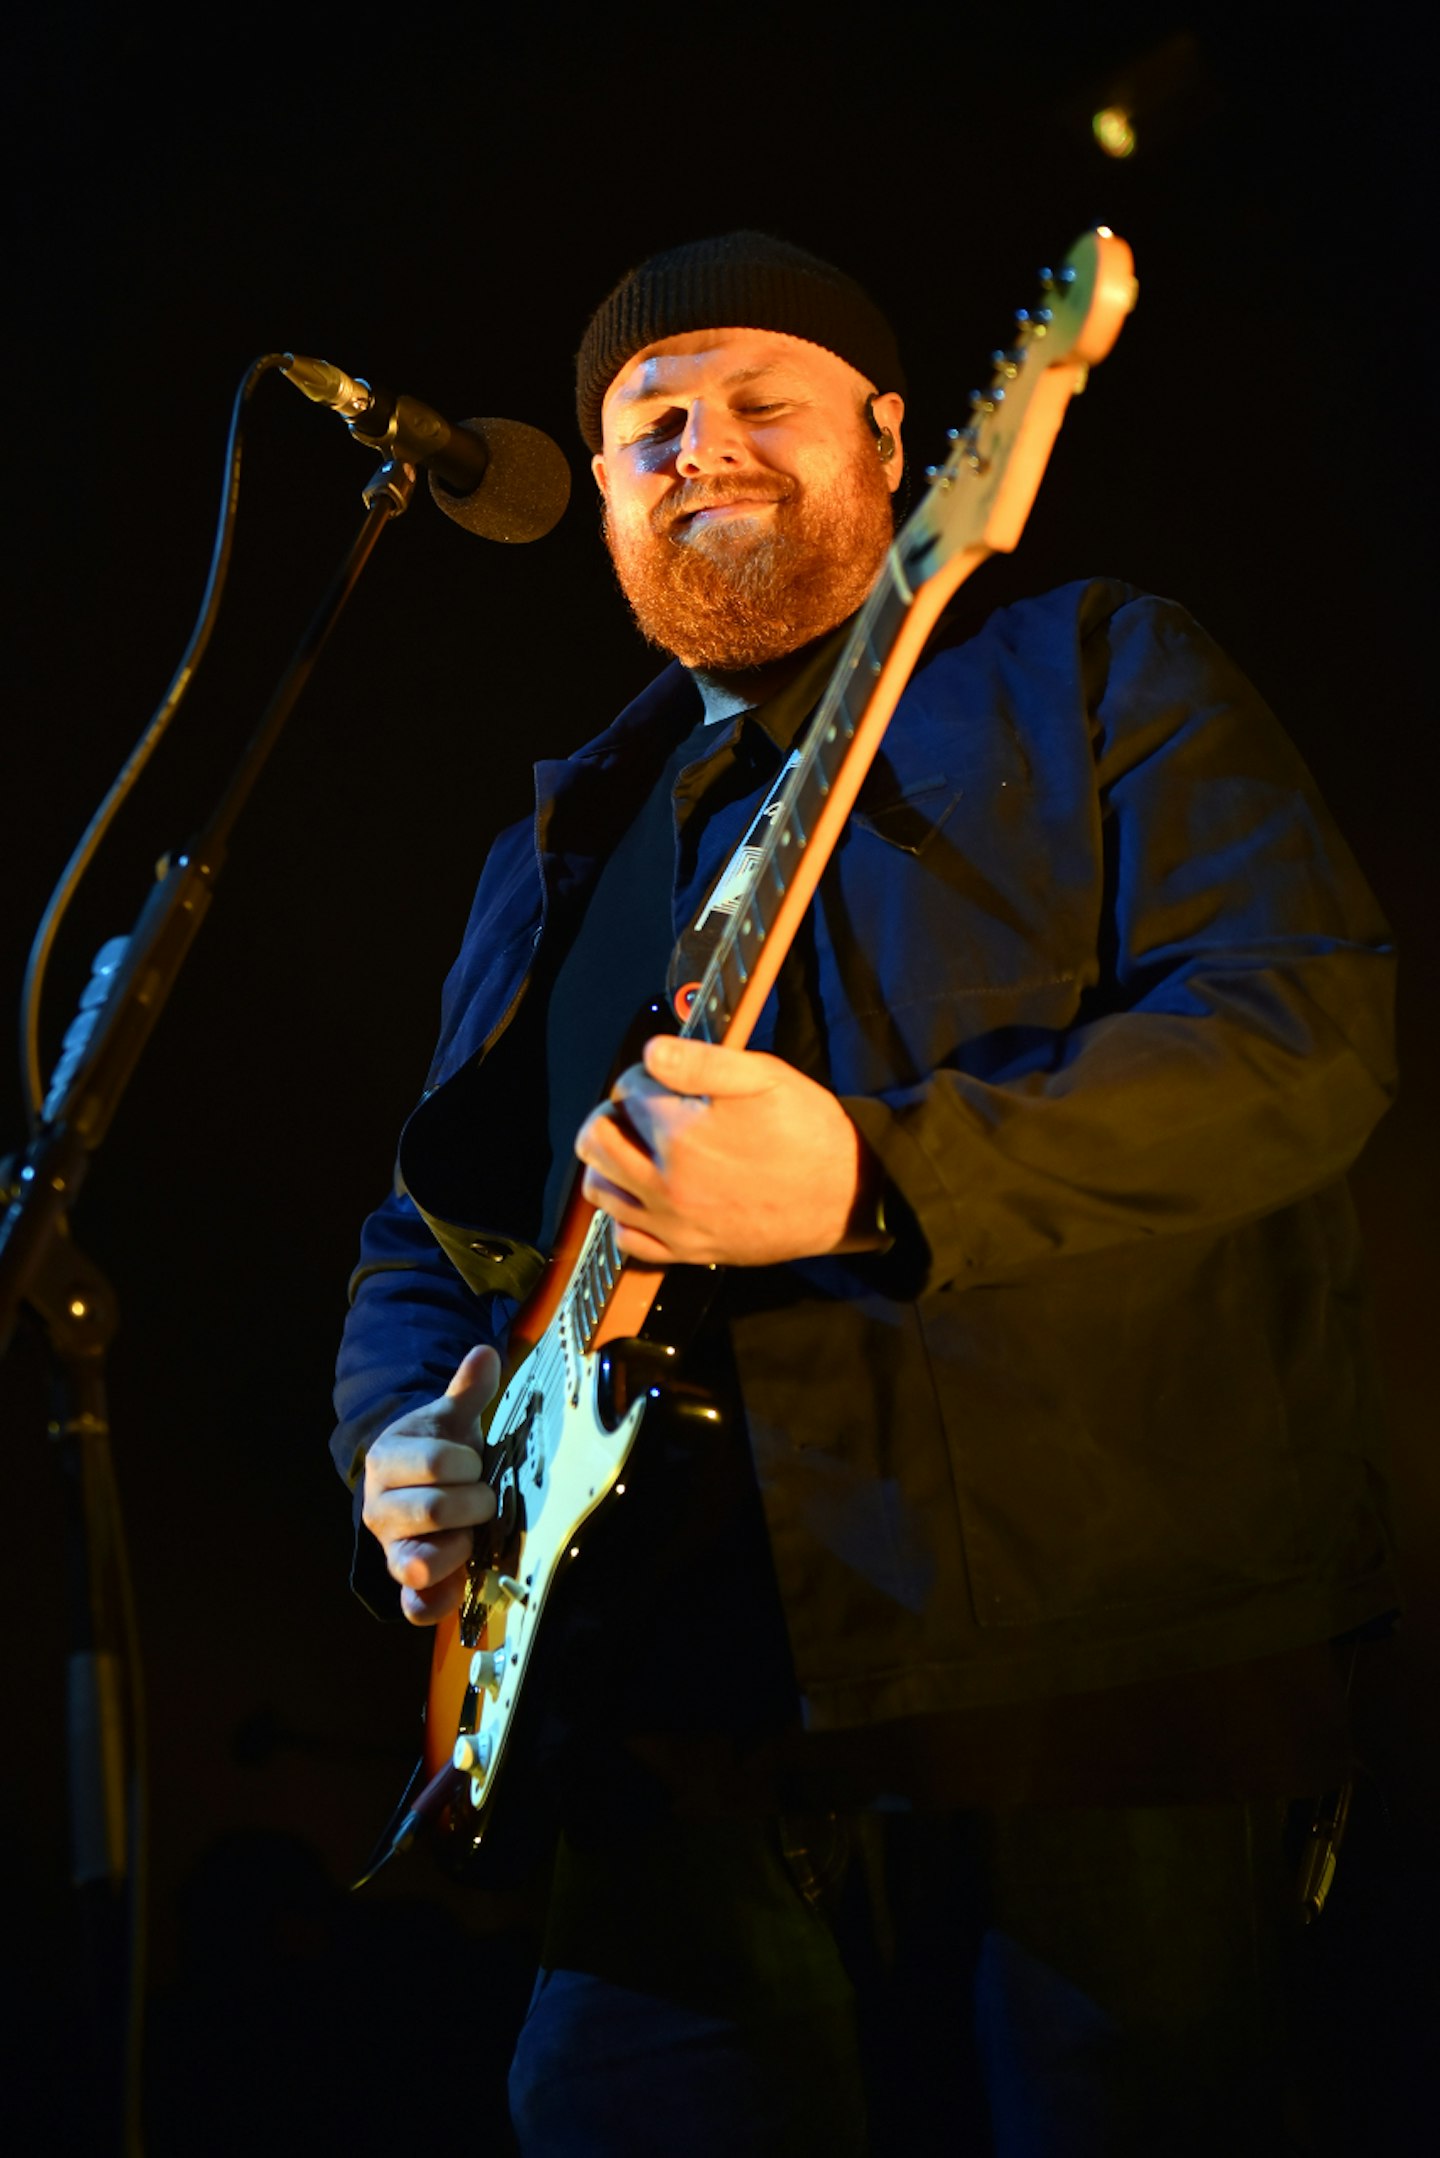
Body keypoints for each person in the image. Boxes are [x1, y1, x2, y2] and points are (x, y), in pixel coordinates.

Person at [331, 232, 1400, 2155]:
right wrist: (398, 1437)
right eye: (649, 421)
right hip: (652, 1719)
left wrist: (870, 1171)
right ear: (600, 488)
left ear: (901, 441)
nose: (699, 446)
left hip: (1084, 1692)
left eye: (762, 400)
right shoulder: (554, 846)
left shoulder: (1096, 673)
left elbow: (1301, 1032)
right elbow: (425, 1235)